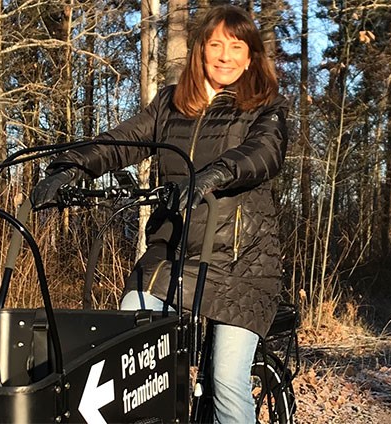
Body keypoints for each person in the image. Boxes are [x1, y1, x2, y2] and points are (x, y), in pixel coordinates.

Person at [31, 4, 288, 423]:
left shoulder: (265, 106)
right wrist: (71, 165)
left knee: (226, 379)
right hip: (172, 253)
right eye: (215, 44)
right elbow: (120, 141)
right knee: (132, 353)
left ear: (251, 55)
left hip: (243, 264)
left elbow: (263, 153)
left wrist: (213, 174)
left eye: (236, 46)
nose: (225, 56)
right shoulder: (171, 104)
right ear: (200, 50)